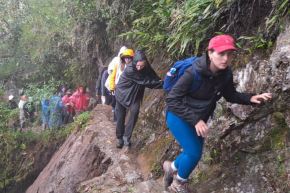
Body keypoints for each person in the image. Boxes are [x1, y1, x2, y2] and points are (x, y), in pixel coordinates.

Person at [163, 34, 272, 193]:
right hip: (177, 115)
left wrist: (251, 97)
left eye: (229, 54)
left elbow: (230, 95)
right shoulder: (192, 73)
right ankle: (178, 184)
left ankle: (171, 167)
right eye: (221, 54)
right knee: (194, 152)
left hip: (198, 118)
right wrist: (196, 121)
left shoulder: (225, 74)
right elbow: (172, 99)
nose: (226, 58)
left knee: (192, 152)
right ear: (210, 53)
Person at [115, 50, 163, 148]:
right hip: (122, 93)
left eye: (141, 66)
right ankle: (119, 138)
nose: (139, 68)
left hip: (135, 94)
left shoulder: (145, 67)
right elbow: (146, 82)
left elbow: (151, 75)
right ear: (134, 62)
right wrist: (164, 84)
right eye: (138, 65)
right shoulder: (130, 69)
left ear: (145, 63)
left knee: (135, 112)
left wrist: (159, 80)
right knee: (120, 116)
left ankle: (126, 137)